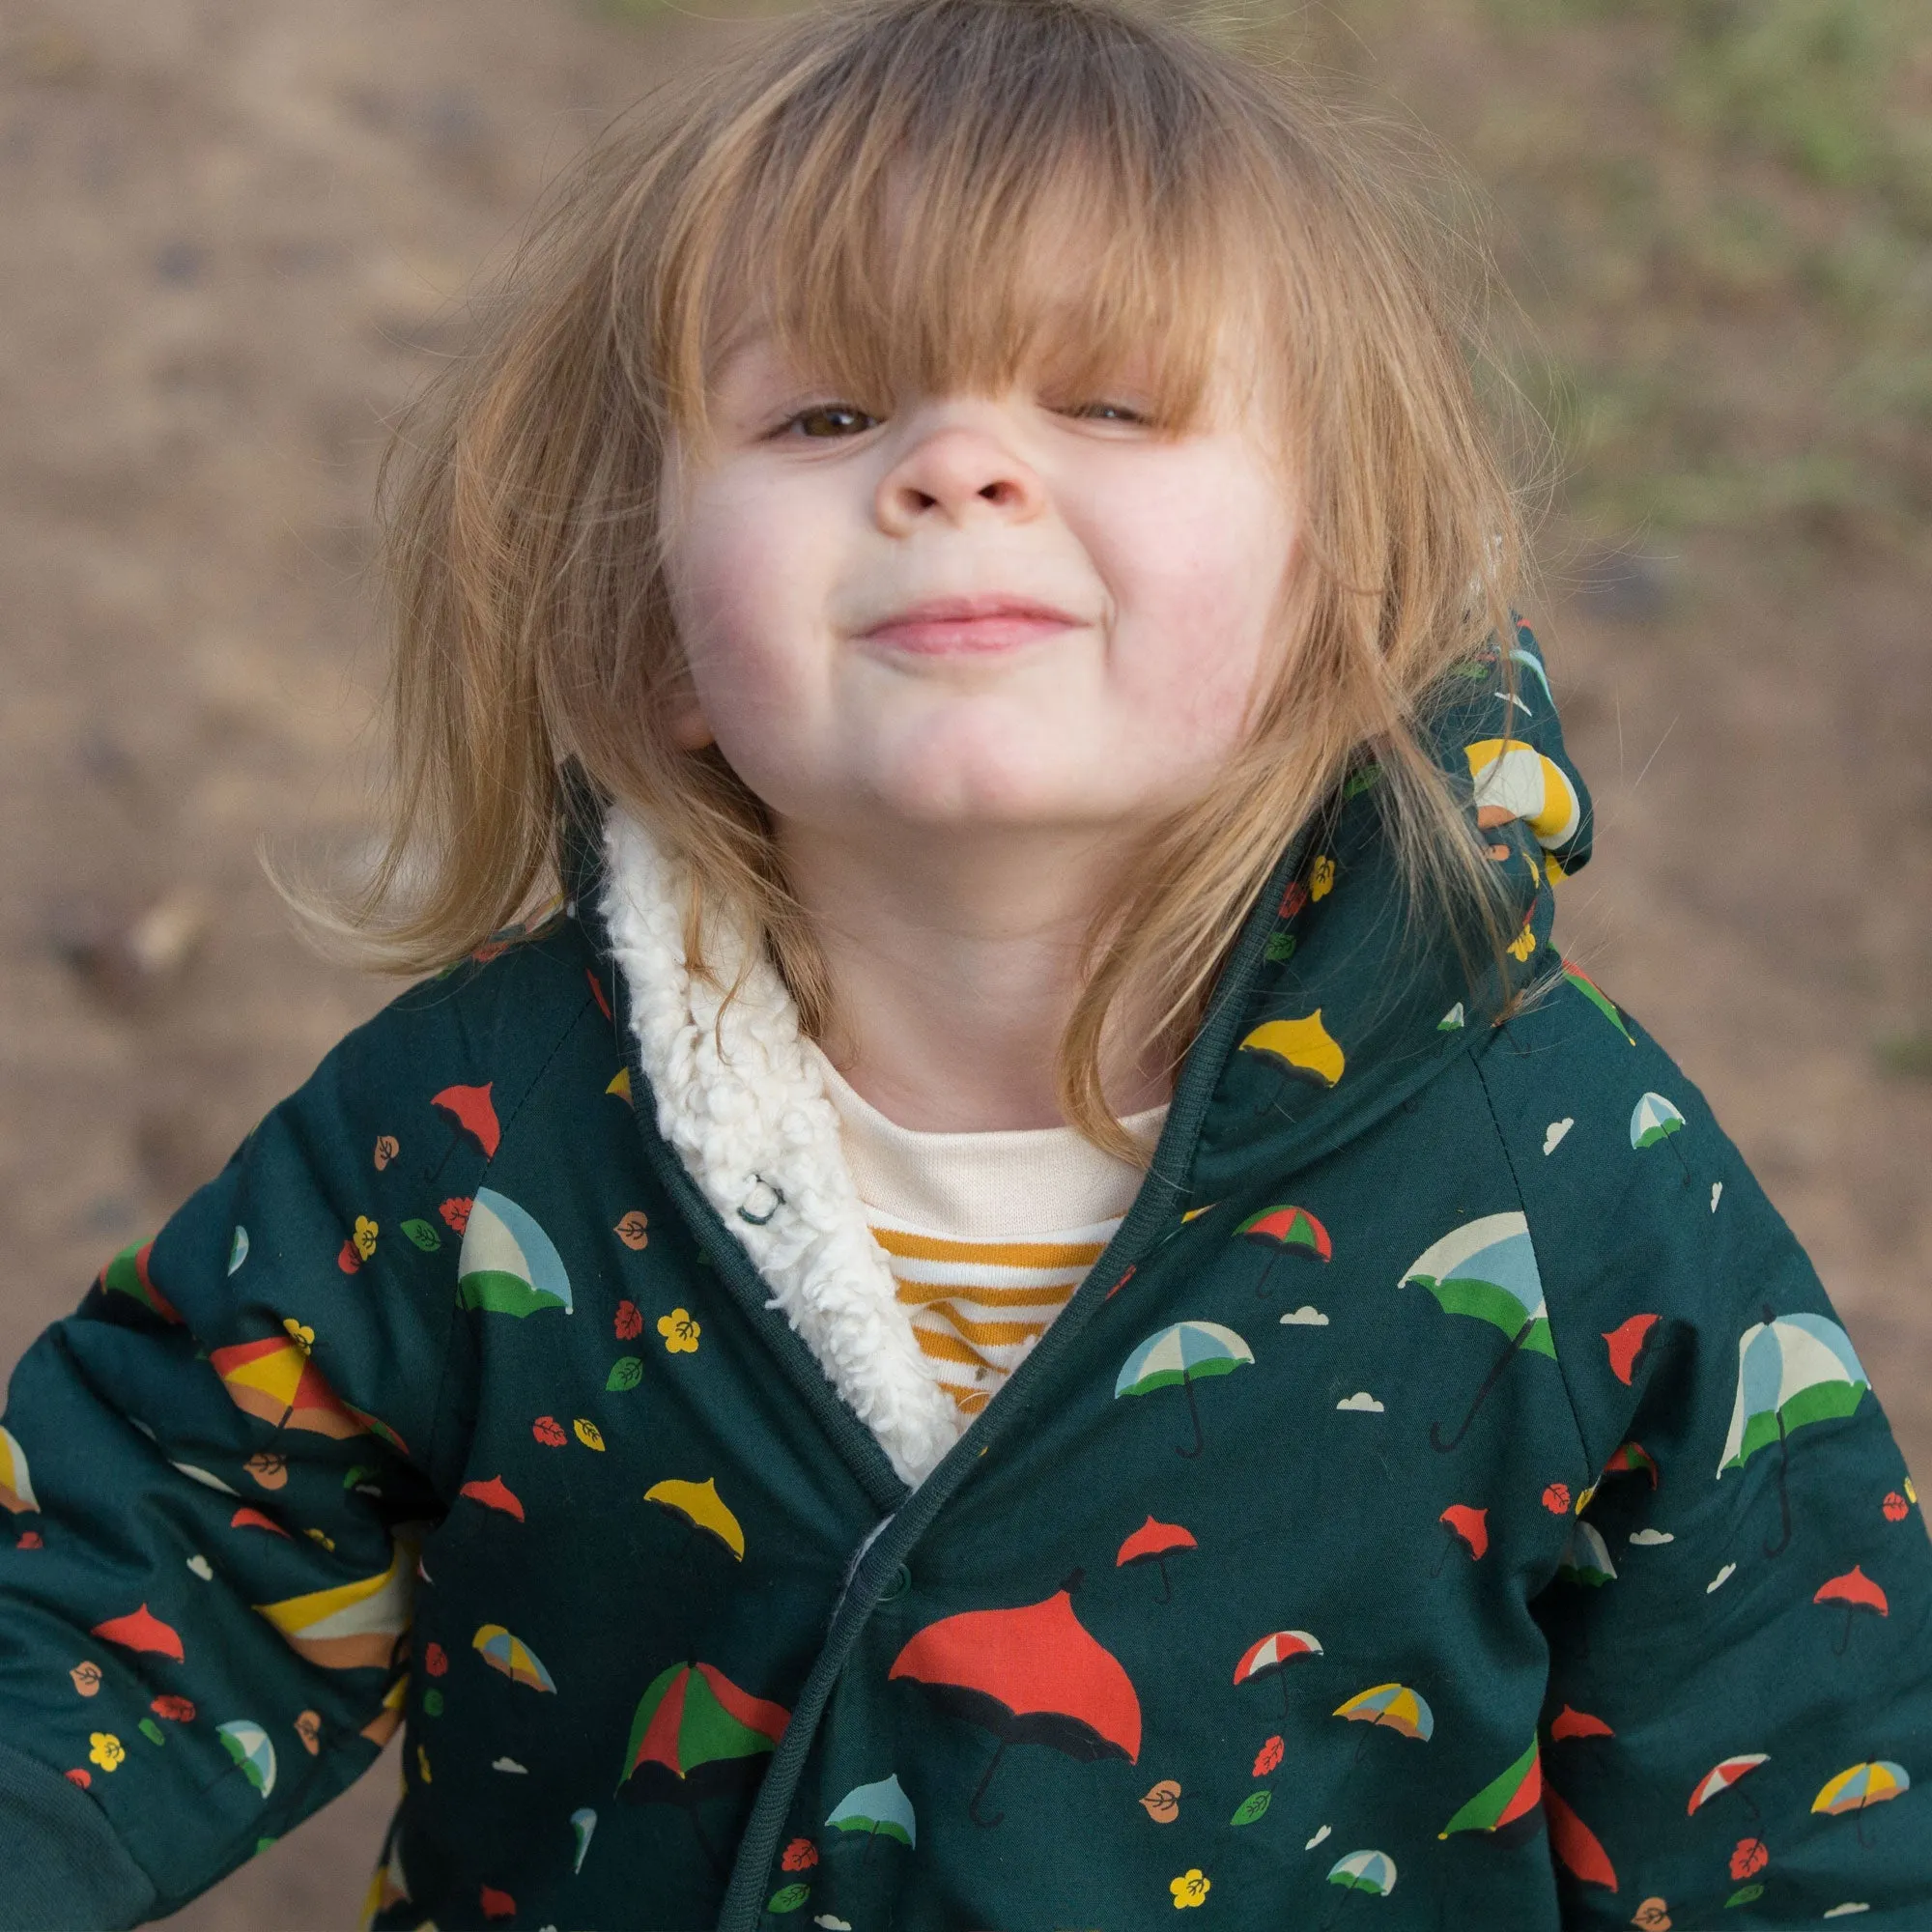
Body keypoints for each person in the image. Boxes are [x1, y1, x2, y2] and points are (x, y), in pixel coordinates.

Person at [2, 0, 1927, 1924]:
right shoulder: (470, 1136)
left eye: (1105, 402)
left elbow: (1812, 1803)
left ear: (1338, 591)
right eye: (828, 414)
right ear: (657, 618)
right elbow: (118, 1585)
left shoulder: (1567, 1180)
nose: (956, 467)